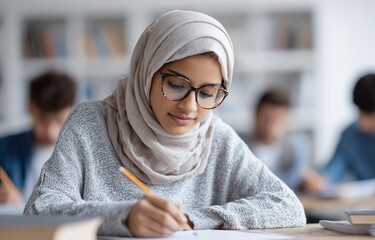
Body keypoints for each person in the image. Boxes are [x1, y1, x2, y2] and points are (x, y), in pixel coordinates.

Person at [24, 10, 306, 238]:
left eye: (207, 93)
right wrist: (123, 218)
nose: (190, 106)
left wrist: (191, 219)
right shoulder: (89, 124)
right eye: (176, 85)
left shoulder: (216, 137)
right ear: (146, 72)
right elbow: (38, 211)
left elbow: (287, 206)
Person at [0, 70, 76, 204]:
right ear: (30, 107)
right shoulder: (4, 148)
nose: (50, 131)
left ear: (73, 111)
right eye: (43, 118)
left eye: (59, 120)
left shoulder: (82, 152)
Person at [242, 89, 310, 190]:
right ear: (256, 115)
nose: (269, 127)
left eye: (277, 121)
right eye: (265, 119)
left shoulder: (295, 148)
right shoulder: (239, 145)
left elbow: (297, 179)